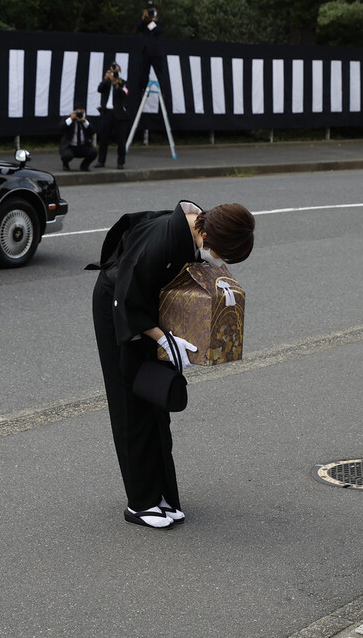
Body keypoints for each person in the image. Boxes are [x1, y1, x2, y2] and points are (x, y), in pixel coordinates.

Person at [90, 200, 255, 529]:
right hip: (119, 310)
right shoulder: (161, 242)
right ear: (206, 233)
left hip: (150, 312)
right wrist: (162, 338)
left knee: (156, 404)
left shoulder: (197, 226)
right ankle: (140, 503)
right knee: (131, 406)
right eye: (220, 253)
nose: (218, 261)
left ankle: (163, 496)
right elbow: (127, 298)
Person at [94, 62, 130, 170]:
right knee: (103, 138)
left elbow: (123, 94)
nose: (113, 73)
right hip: (107, 113)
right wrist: (106, 79)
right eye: (112, 70)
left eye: (116, 70)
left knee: (121, 139)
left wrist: (115, 83)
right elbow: (99, 89)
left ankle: (120, 162)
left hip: (119, 114)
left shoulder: (123, 82)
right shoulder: (106, 83)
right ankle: (101, 161)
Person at [136, 2, 165, 101]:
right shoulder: (145, 22)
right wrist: (143, 17)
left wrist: (152, 19)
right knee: (144, 72)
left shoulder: (159, 22)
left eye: (152, 10)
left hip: (155, 52)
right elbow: (138, 27)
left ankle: (163, 90)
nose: (151, 12)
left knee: (160, 73)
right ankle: (143, 90)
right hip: (146, 51)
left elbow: (157, 30)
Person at [59, 107, 97, 172]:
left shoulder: (86, 120)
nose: (79, 114)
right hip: (70, 146)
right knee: (66, 155)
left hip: (83, 146)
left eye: (82, 112)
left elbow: (92, 131)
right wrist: (71, 119)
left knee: (93, 152)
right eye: (77, 112)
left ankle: (84, 166)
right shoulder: (68, 119)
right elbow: (61, 128)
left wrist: (85, 122)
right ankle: (65, 164)